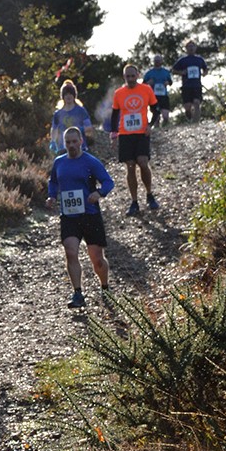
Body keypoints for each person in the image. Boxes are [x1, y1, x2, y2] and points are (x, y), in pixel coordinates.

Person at [47, 127, 115, 309]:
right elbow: (53, 182)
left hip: (90, 215)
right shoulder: (59, 162)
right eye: (67, 142)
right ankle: (78, 293)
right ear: (64, 143)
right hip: (69, 216)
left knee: (97, 259)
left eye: (74, 141)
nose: (71, 145)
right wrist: (51, 196)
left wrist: (99, 193)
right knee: (70, 252)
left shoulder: (90, 162)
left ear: (81, 141)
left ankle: (105, 287)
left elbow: (108, 181)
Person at [110, 63, 159, 216]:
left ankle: (149, 194)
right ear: (124, 77)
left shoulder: (146, 89)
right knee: (130, 166)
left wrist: (150, 125)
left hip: (142, 133)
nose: (130, 79)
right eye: (127, 76)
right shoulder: (119, 93)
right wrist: (114, 134)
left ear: (138, 75)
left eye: (133, 76)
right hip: (125, 134)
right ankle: (134, 201)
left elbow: (155, 110)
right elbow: (114, 115)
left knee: (143, 162)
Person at [49, 80, 95, 155]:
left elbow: (89, 127)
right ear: (63, 97)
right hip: (63, 149)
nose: (68, 96)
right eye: (66, 94)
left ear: (74, 96)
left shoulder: (81, 110)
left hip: (80, 148)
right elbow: (54, 129)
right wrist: (53, 141)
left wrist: (80, 130)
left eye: (70, 94)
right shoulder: (58, 114)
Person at [172, 41, 208, 121]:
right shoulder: (183, 60)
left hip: (197, 85)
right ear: (186, 48)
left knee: (197, 103)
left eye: (192, 46)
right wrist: (181, 72)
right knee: (187, 107)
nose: (191, 48)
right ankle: (190, 119)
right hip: (186, 86)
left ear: (195, 48)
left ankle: (196, 122)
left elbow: (205, 68)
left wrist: (204, 73)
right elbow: (173, 70)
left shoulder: (199, 59)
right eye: (189, 46)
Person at [143, 55, 173, 128]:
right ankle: (157, 130)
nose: (157, 62)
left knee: (165, 116)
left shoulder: (166, 72)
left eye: (159, 60)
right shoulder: (149, 73)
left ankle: (165, 128)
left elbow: (170, 82)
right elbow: (143, 85)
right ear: (153, 62)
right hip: (154, 97)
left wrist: (167, 83)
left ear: (161, 61)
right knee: (156, 117)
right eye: (156, 61)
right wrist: (148, 83)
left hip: (164, 96)